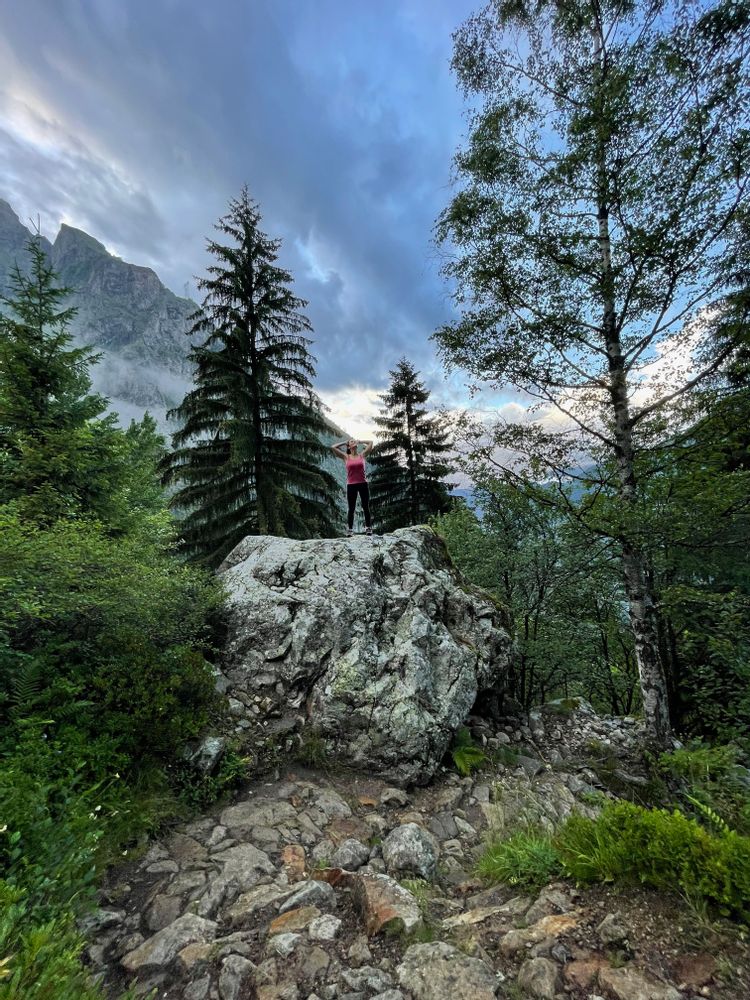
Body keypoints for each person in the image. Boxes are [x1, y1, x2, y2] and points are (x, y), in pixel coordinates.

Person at [331, 438, 374, 537]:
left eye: (354, 441)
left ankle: (368, 528)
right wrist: (344, 442)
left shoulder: (362, 455)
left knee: (365, 507)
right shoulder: (346, 457)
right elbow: (333, 447)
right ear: (349, 446)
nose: (354, 442)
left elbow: (371, 442)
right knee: (351, 508)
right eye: (352, 441)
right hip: (351, 485)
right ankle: (350, 530)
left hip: (363, 483)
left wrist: (361, 441)